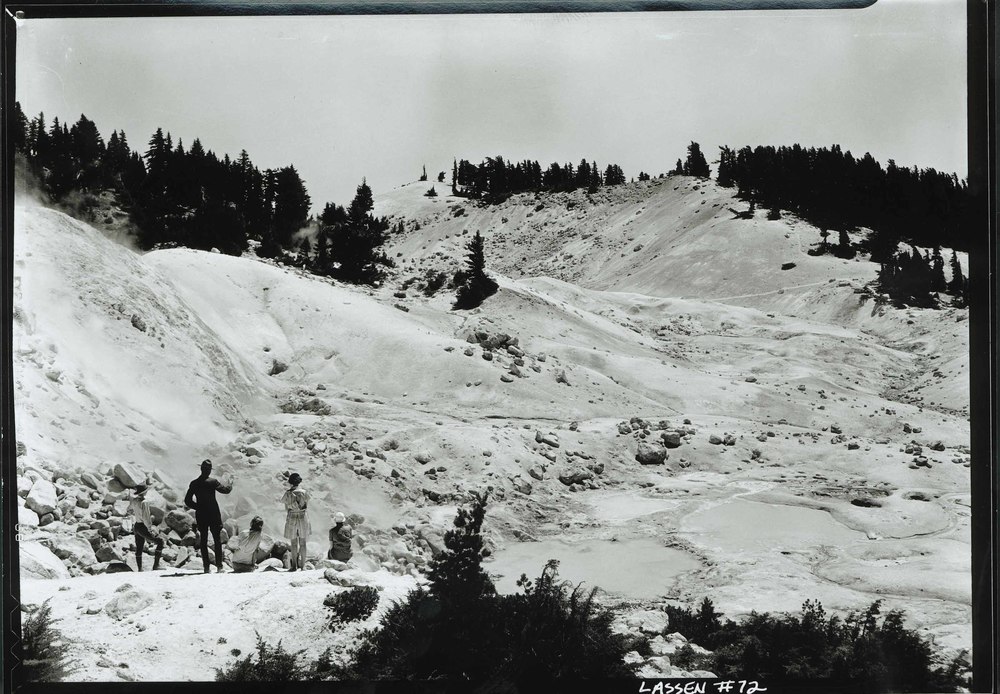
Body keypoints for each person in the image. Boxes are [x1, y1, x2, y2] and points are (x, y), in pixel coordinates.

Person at [185, 459, 233, 574]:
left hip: (201, 514)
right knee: (217, 540)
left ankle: (206, 568)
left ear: (201, 469)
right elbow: (226, 491)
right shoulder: (213, 482)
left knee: (203, 541)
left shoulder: (194, 483)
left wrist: (198, 507)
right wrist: (230, 484)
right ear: (210, 471)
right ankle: (219, 566)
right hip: (213, 514)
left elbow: (187, 501)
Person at [128, 483, 163, 572]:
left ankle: (140, 568)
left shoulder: (134, 501)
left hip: (136, 525)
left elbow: (129, 509)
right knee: (160, 542)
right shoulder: (144, 502)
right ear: (144, 492)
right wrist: (150, 529)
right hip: (143, 526)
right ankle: (156, 565)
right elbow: (146, 517)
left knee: (139, 547)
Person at [280, 473, 310, 571]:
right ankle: (303, 566)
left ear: (290, 482)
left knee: (293, 543)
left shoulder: (287, 493)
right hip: (302, 517)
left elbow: (286, 508)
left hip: (292, 517)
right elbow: (306, 505)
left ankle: (294, 566)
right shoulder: (304, 492)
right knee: (303, 542)